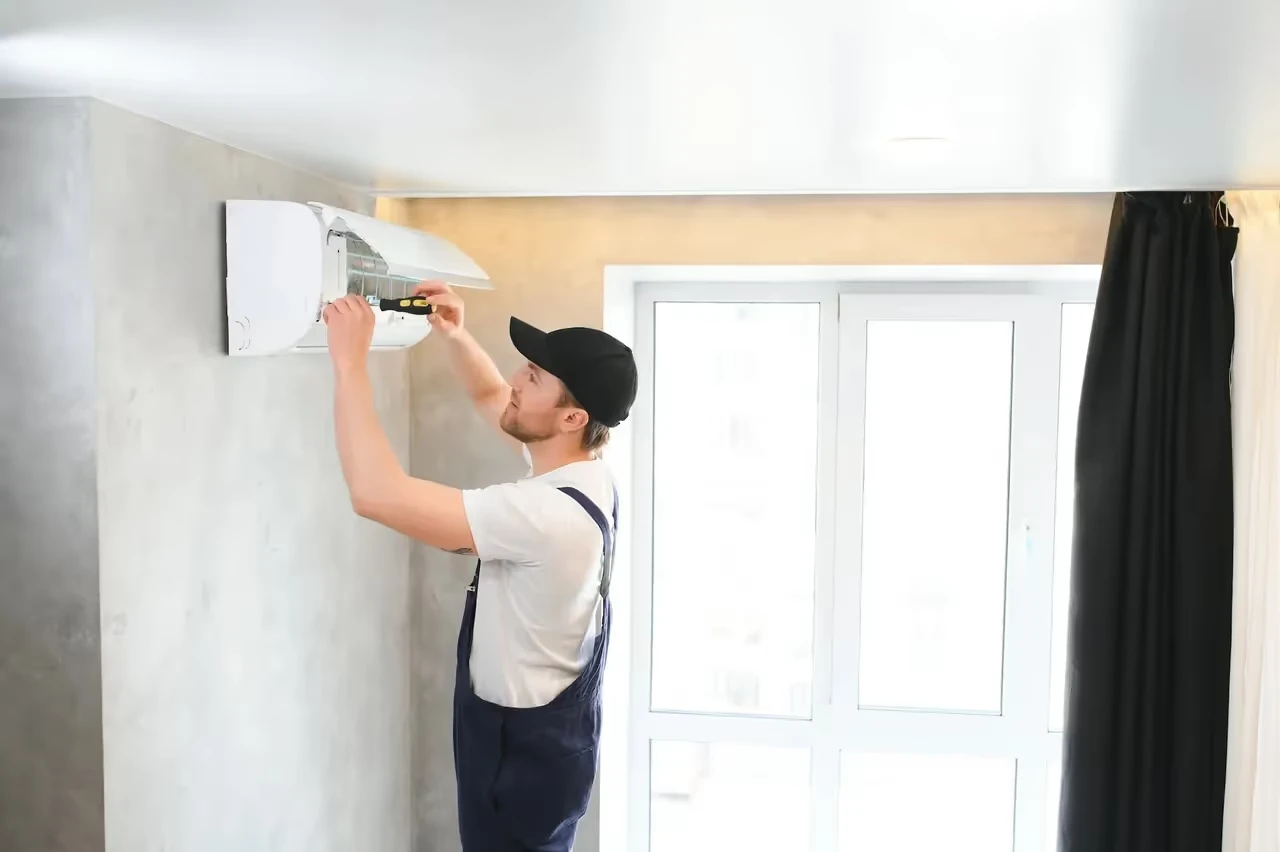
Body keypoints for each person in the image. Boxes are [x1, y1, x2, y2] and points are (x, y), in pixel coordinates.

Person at [322, 280, 638, 852]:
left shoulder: (546, 513)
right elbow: (495, 397)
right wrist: (455, 334)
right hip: (545, 743)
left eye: (534, 377)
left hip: (521, 761)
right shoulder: (582, 471)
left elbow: (374, 493)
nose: (516, 379)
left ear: (573, 417)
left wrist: (349, 364)